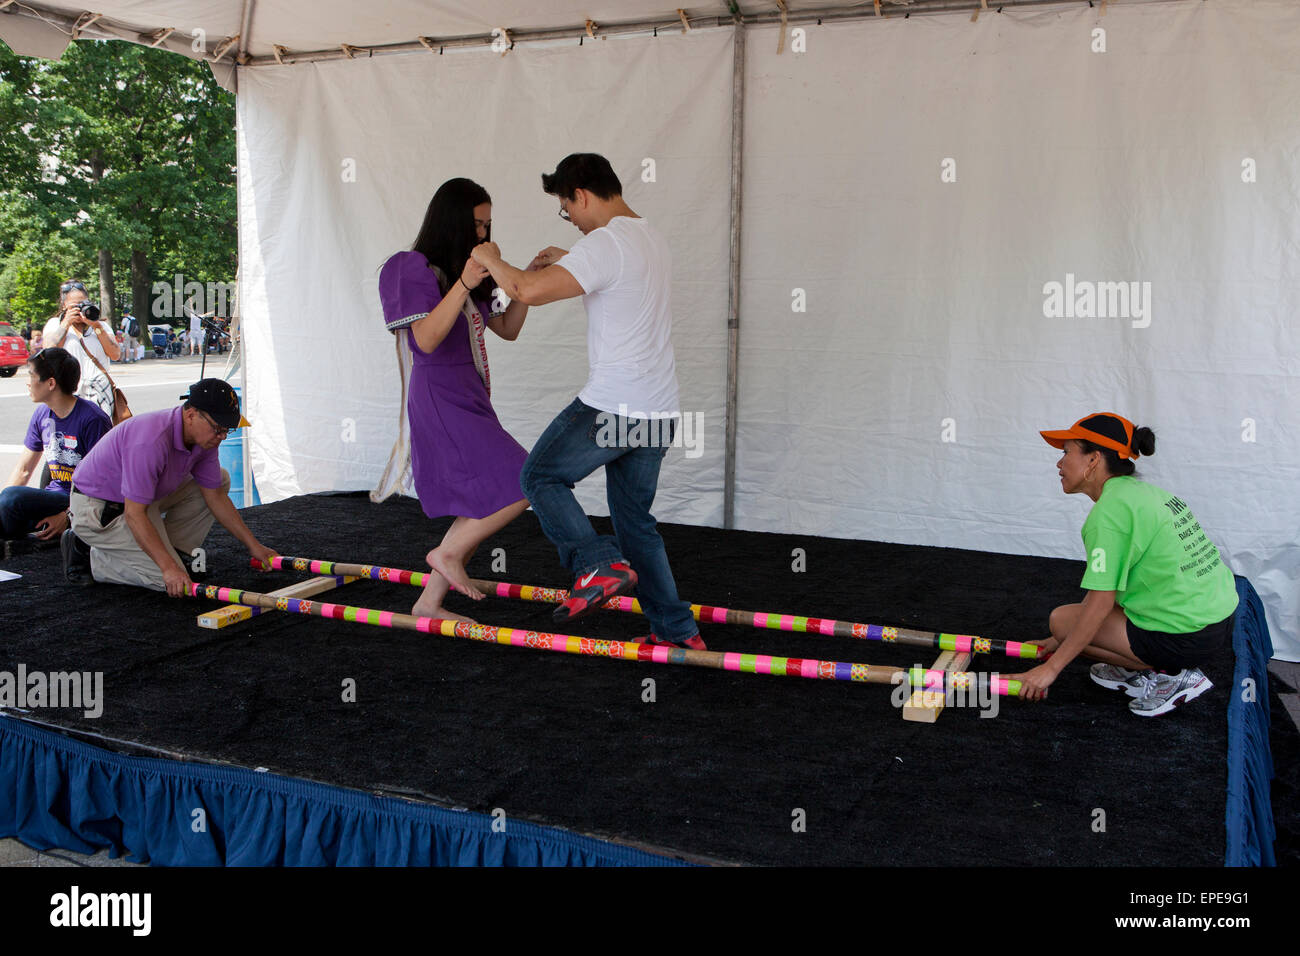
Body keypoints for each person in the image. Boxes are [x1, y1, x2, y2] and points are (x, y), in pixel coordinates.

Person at [470, 153, 703, 649]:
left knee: (539, 476)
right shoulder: (648, 237)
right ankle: (678, 632)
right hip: (656, 412)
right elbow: (615, 275)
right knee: (636, 527)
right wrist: (573, 256)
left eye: (565, 207)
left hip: (614, 406)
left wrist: (489, 257)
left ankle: (596, 564)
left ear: (580, 193)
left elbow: (525, 291)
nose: (570, 218)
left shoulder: (604, 245)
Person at [378, 178, 544, 621]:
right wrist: (464, 283)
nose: (483, 235)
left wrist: (526, 279)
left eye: (488, 225)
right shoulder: (410, 267)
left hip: (468, 391)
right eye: (476, 224)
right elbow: (426, 341)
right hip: (438, 391)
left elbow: (507, 328)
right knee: (525, 477)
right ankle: (447, 556)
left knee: (484, 496)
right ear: (452, 221)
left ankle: (429, 602)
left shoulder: (465, 270)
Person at [1014, 413, 1239, 716]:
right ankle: (1137, 666)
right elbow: (1103, 587)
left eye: (1066, 452)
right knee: (1067, 628)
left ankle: (1173, 675)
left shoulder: (1109, 515)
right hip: (1214, 620)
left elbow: (1100, 603)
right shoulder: (1140, 494)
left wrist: (1051, 669)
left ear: (1093, 460)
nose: (1059, 463)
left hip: (1188, 636)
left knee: (1061, 620)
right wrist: (1058, 641)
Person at [62, 378, 278, 594]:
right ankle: (89, 554)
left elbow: (215, 495)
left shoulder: (203, 439)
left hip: (141, 501)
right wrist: (168, 568)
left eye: (227, 430)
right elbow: (135, 514)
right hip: (99, 509)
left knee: (220, 479)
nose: (221, 437)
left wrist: (253, 545)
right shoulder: (150, 441)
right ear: (191, 414)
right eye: (218, 428)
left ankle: (173, 551)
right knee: (171, 582)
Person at [0, 348, 112, 541]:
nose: (28, 382)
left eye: (32, 376)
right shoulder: (42, 414)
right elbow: (24, 470)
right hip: (52, 498)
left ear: (51, 383)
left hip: (81, 502)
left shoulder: (93, 419)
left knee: (13, 498)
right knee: (7, 502)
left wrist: (68, 516)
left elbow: (103, 483)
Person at [42, 280, 120, 418]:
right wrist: (66, 323)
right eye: (74, 306)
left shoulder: (100, 326)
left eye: (83, 303)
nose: (79, 309)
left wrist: (97, 326)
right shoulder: (55, 324)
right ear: (64, 304)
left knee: (100, 436)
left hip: (99, 392)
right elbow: (48, 350)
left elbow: (115, 354)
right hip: (68, 392)